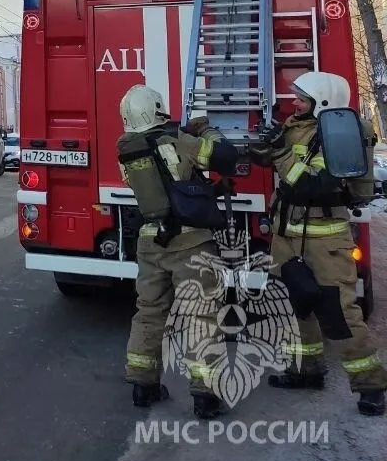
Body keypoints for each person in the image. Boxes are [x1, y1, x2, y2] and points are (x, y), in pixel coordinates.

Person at [250, 71, 387, 416]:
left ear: (322, 101)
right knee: (294, 306)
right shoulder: (296, 125)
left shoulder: (338, 135)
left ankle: (371, 386)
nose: (293, 103)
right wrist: (263, 143)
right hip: (287, 236)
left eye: (300, 99)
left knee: (340, 313)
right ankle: (305, 371)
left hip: (324, 239)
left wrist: (280, 153)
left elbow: (313, 185)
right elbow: (270, 159)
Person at [116, 84, 239, 419]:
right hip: (189, 242)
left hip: (149, 240)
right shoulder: (176, 141)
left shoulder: (126, 148)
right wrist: (207, 130)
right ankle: (205, 396)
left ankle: (143, 384)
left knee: (150, 311)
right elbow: (224, 158)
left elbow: (169, 189)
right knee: (201, 314)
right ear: (156, 109)